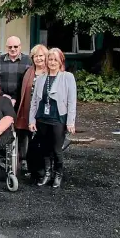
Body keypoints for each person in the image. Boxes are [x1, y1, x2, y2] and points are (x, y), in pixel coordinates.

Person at [29, 48, 77, 188]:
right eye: (50, 59)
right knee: (44, 148)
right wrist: (32, 120)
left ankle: (58, 175)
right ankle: (47, 173)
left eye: (55, 59)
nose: (52, 62)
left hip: (58, 118)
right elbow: (34, 102)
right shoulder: (41, 78)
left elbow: (71, 101)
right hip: (42, 118)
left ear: (61, 61)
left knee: (56, 149)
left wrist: (71, 122)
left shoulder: (67, 77)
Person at [15, 44, 48, 174]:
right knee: (26, 137)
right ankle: (28, 164)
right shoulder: (28, 72)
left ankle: (44, 167)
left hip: (45, 111)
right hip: (28, 109)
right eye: (36, 56)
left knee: (42, 139)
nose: (38, 59)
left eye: (41, 56)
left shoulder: (51, 71)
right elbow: (22, 91)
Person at [0, 36, 33, 112]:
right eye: (10, 47)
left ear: (20, 47)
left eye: (15, 46)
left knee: (19, 123)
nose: (13, 49)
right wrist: (2, 95)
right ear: (6, 47)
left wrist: (15, 98)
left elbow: (29, 82)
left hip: (21, 101)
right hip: (2, 100)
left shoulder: (28, 61)